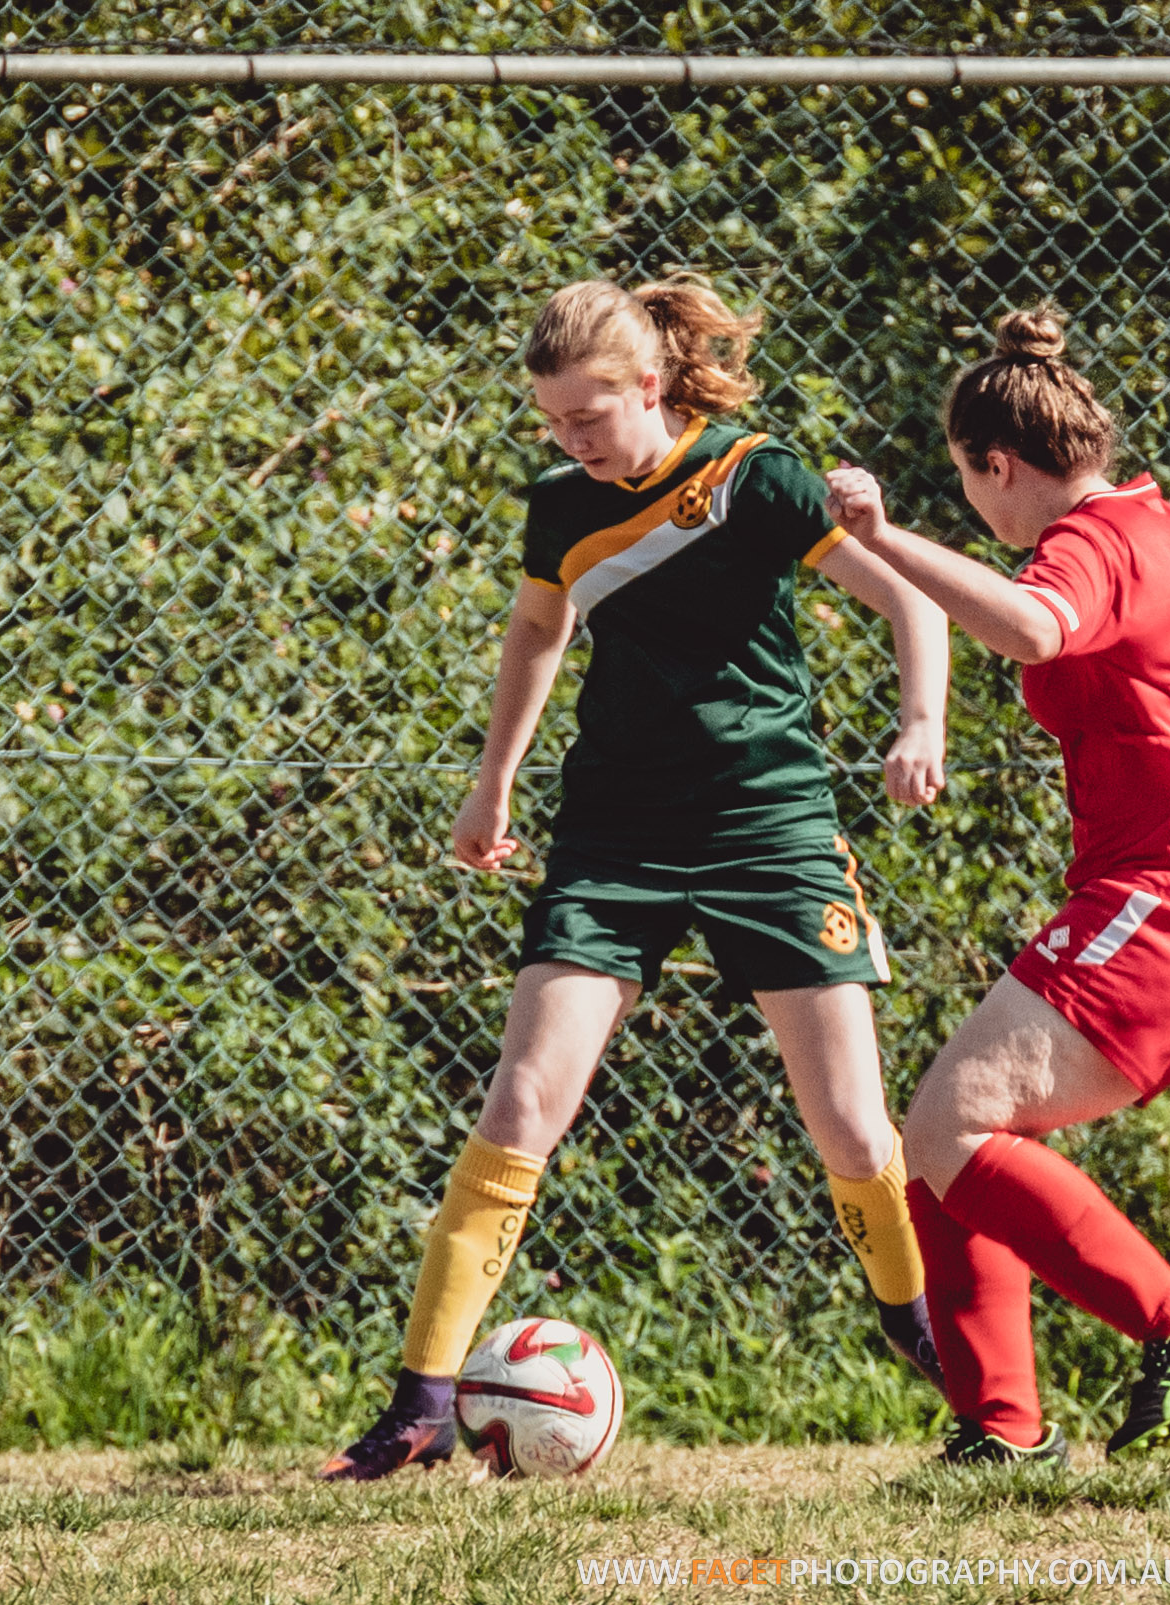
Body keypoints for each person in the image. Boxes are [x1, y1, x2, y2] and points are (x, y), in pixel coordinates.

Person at [323, 278, 951, 1480]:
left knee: (855, 1129)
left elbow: (910, 602)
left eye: (588, 419)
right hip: (613, 836)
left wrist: (920, 723)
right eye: (553, 423)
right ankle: (418, 1401)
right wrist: (493, 783)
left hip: (771, 822)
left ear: (648, 388)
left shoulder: (755, 476)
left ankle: (927, 1340)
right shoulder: (562, 506)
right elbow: (537, 633)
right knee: (518, 1109)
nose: (570, 442)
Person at [821, 305, 1170, 1465]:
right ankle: (999, 1431)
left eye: (967, 483)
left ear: (999, 464)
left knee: (948, 1127)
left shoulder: (1090, 546)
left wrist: (890, 539)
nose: (977, 510)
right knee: (956, 1134)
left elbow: (1036, 629)